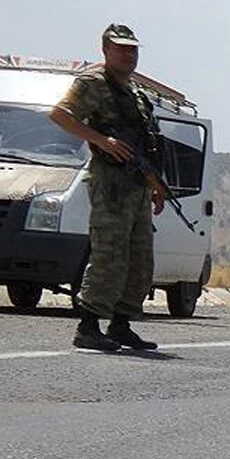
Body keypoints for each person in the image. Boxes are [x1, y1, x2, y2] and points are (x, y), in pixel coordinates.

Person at [49, 23, 168, 352]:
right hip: (110, 182)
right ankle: (88, 326)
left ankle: (121, 324)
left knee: (139, 260)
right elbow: (59, 114)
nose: (129, 54)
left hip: (136, 186)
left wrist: (156, 185)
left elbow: (144, 146)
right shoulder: (92, 83)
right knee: (109, 255)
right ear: (105, 50)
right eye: (121, 48)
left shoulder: (136, 93)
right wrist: (102, 140)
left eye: (133, 49)